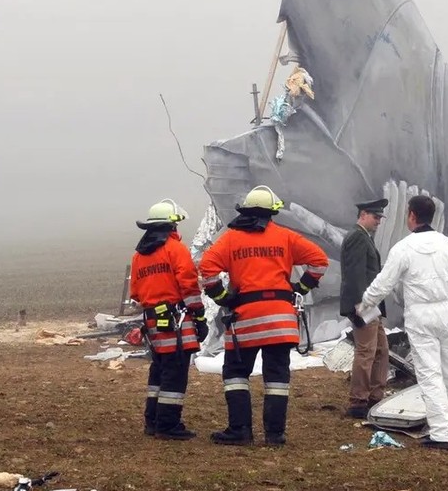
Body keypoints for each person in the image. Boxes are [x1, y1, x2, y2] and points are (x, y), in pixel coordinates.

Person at [198, 185, 329, 446]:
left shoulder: (231, 239)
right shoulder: (285, 237)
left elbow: (207, 268)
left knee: (236, 373)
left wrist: (224, 299)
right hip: (281, 321)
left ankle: (240, 430)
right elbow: (320, 260)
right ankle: (275, 434)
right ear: (272, 213)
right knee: (277, 377)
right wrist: (299, 289)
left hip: (246, 320)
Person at [357, 194, 448, 451]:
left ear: (412, 216)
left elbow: (384, 282)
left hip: (420, 314)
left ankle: (441, 433)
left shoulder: (403, 248)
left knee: (430, 373)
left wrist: (365, 303)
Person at [129, 199, 204, 440]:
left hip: (153, 322)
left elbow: (136, 293)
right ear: (171, 226)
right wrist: (200, 316)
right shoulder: (175, 249)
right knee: (176, 371)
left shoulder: (139, 256)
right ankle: (168, 425)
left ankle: (152, 421)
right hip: (177, 321)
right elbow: (189, 285)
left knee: (158, 371)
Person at [340, 197, 390, 419]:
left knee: (380, 351)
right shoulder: (357, 238)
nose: (379, 221)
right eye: (375, 216)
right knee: (367, 352)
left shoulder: (363, 237)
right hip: (365, 305)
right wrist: (360, 306)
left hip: (371, 305)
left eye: (380, 217)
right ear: (363, 215)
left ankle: (374, 396)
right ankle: (359, 401)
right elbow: (354, 275)